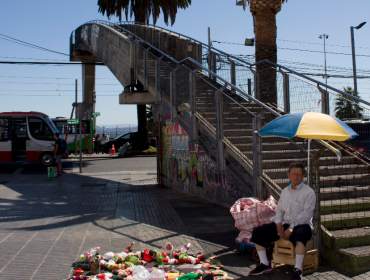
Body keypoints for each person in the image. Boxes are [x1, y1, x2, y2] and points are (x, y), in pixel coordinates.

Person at [249, 162, 316, 280]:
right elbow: (279, 210)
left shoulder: (309, 192)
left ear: (303, 175)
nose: (296, 176)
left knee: (300, 235)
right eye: (294, 174)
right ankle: (264, 264)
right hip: (285, 222)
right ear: (288, 175)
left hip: (301, 224)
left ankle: (298, 269)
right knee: (258, 231)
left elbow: (306, 215)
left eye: (299, 174)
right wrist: (278, 224)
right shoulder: (285, 191)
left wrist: (291, 228)